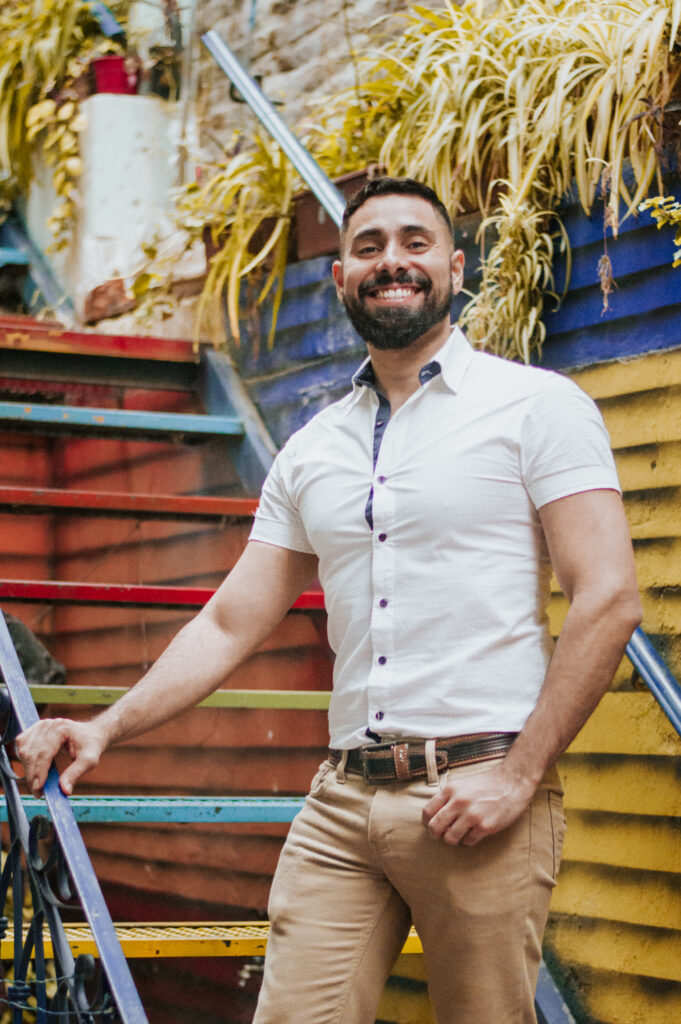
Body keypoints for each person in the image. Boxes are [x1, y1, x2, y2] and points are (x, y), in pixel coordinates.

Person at [16, 177, 642, 1024]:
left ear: (455, 268)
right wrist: (102, 726)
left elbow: (606, 599)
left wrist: (518, 776)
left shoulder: (535, 407)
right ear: (341, 276)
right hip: (344, 798)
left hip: (478, 792)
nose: (393, 261)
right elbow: (234, 619)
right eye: (369, 246)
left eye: (415, 243)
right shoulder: (315, 448)